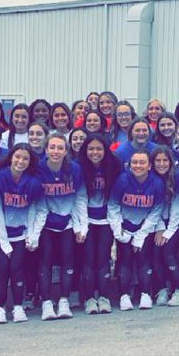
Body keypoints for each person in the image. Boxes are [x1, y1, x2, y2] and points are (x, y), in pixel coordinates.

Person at [30, 133, 87, 320]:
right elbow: (35, 203)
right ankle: (46, 303)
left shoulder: (75, 169)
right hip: (45, 222)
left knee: (67, 260)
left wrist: (82, 226)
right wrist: (33, 232)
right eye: (52, 147)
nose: (56, 151)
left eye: (60, 148)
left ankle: (64, 300)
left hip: (67, 222)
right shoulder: (38, 169)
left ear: (66, 151)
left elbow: (79, 198)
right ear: (46, 150)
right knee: (45, 262)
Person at [0, 144, 42, 325]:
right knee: (2, 267)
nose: (20, 161)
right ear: (11, 157)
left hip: (20, 234)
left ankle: (18, 306)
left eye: (25, 158)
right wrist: (4, 242)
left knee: (17, 268)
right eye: (17, 157)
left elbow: (32, 210)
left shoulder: (33, 182)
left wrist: (31, 234)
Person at [108, 149, 166, 310]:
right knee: (125, 258)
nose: (138, 166)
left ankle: (145, 294)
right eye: (134, 162)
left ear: (149, 166)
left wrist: (141, 234)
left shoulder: (157, 183)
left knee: (143, 257)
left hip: (144, 226)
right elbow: (113, 205)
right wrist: (118, 229)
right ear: (129, 164)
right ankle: (124, 296)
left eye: (142, 162)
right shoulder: (122, 180)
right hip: (124, 226)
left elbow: (156, 211)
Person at [79, 133, 121, 314]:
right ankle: (89, 298)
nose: (95, 152)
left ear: (105, 150)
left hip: (106, 218)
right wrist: (81, 225)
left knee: (103, 257)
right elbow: (79, 198)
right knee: (88, 257)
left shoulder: (114, 165)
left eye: (99, 149)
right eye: (91, 149)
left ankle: (104, 297)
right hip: (86, 218)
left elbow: (116, 196)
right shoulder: (79, 167)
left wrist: (114, 221)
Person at [149, 145, 179, 306]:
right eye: (157, 160)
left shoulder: (178, 177)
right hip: (161, 222)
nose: (161, 164)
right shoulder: (151, 178)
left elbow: (178, 209)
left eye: (165, 160)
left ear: (171, 162)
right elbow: (154, 207)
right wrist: (160, 227)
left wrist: (167, 232)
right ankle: (162, 289)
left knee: (168, 251)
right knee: (156, 250)